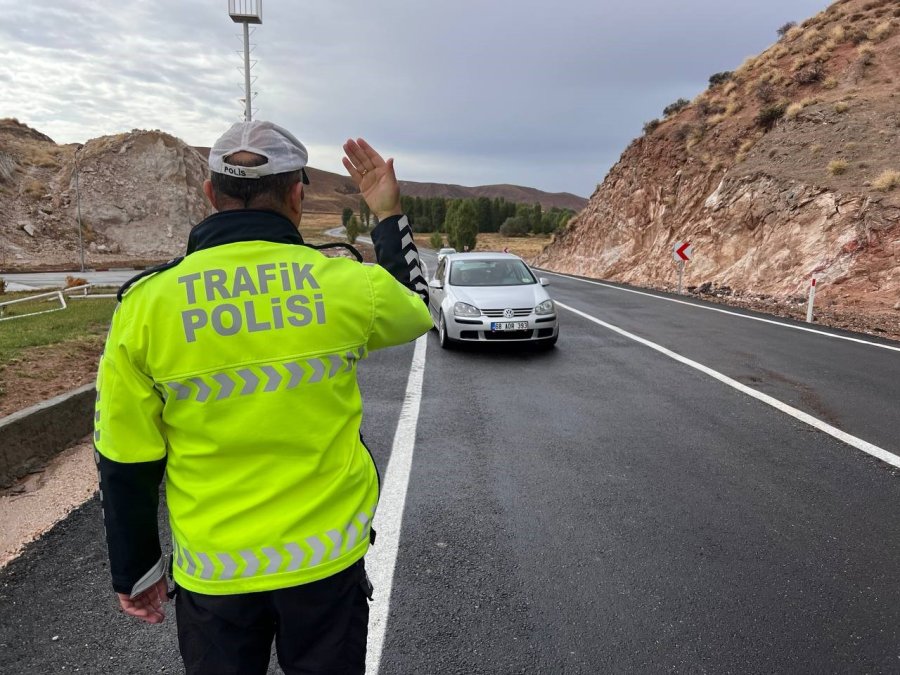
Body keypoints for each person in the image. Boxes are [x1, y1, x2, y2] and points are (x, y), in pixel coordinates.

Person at [93, 120, 433, 674]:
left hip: (215, 573)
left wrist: (136, 569)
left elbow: (124, 455)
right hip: (326, 565)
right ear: (297, 194)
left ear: (210, 195)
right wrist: (388, 215)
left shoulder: (145, 305)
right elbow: (417, 306)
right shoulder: (347, 284)